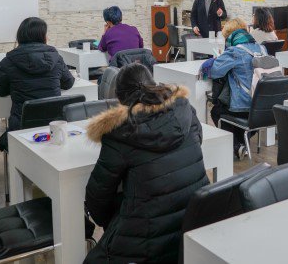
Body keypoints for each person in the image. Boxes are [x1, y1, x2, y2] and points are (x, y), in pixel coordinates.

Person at [84, 63, 208, 263]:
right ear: (153, 84)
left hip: (146, 242)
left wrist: (116, 223)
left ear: (120, 98)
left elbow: (97, 199)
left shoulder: (120, 133)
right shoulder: (185, 111)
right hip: (191, 224)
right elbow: (196, 142)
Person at [0, 17, 74, 131]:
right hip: (54, 126)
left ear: (20, 37)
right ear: (43, 37)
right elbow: (68, 83)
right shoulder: (56, 58)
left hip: (21, 128)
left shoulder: (9, 61)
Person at [201, 18, 266, 159]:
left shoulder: (235, 51)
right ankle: (243, 141)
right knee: (231, 113)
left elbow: (215, 71)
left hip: (243, 107)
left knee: (216, 111)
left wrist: (213, 61)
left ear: (229, 35)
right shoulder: (262, 48)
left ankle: (237, 146)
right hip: (262, 108)